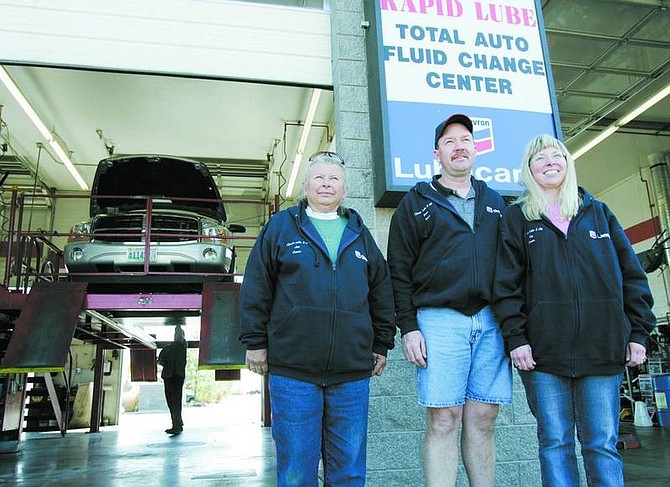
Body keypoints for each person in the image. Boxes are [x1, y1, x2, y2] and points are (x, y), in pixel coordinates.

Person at [493, 134, 655, 487]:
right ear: (529, 170)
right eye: (540, 158)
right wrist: (516, 338)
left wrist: (638, 333)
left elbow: (633, 276)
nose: (550, 162)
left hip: (602, 348)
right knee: (555, 444)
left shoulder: (599, 213)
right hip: (544, 355)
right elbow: (506, 287)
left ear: (568, 163)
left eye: (557, 155)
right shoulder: (517, 218)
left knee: (601, 445)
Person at [239, 150, 396, 486]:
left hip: (351, 374)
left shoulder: (359, 234)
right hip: (293, 372)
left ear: (345, 189)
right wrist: (255, 343)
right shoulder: (281, 228)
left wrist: (382, 343)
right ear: (306, 186)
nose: (327, 183)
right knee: (296, 470)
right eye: (319, 178)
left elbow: (382, 291)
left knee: (350, 471)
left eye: (334, 178)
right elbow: (256, 286)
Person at [387, 114, 512, 487]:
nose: (459, 146)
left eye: (466, 140)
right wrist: (408, 327)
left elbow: (513, 267)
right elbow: (398, 270)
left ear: (476, 149)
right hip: (439, 322)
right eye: (449, 141)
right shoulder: (415, 203)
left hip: (491, 322)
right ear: (436, 153)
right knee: (444, 419)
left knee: (484, 417)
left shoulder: (496, 203)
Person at [157, 324, 188, 435]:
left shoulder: (168, 348)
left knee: (172, 402)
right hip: (179, 376)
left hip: (169, 376)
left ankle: (176, 425)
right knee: (177, 401)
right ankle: (178, 423)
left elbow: (160, 361)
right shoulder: (183, 347)